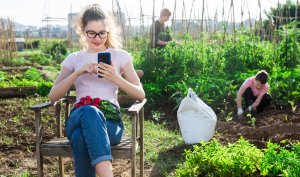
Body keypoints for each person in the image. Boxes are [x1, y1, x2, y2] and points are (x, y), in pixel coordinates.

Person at [48, 4, 145, 177]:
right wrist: (77, 73)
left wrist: (115, 77)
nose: (97, 38)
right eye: (91, 32)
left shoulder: (120, 56)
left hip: (110, 123)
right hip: (79, 116)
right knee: (89, 111)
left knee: (79, 137)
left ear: (108, 31)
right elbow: (53, 96)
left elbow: (140, 94)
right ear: (82, 30)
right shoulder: (74, 58)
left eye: (102, 33)